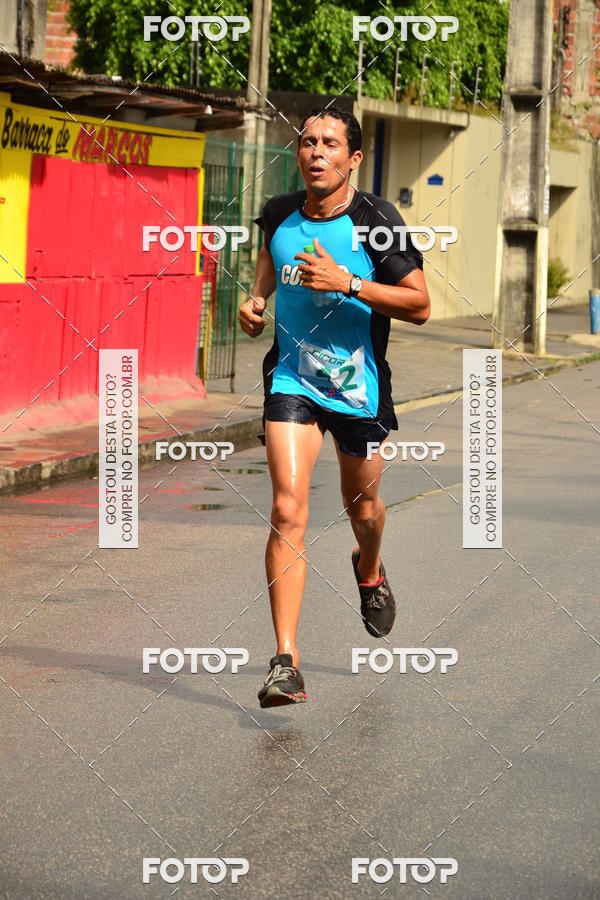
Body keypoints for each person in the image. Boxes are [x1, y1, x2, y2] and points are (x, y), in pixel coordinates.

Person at [238, 105, 430, 708]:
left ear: (353, 158)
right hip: (293, 381)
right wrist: (255, 299)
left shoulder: (377, 222)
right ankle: (285, 663)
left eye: (329, 143)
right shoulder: (277, 213)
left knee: (363, 506)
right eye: (307, 141)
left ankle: (368, 570)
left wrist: (345, 283)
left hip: (358, 391)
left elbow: (420, 303)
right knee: (287, 508)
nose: (316, 151)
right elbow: (269, 260)